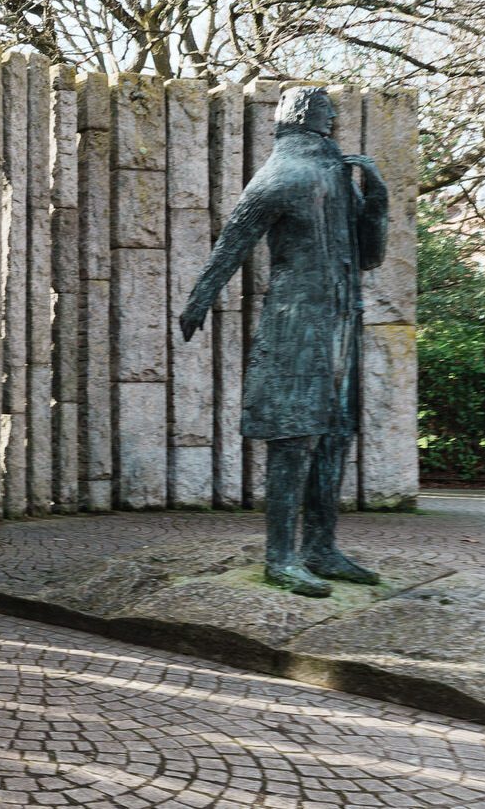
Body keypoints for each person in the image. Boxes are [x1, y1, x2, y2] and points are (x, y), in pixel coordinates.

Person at [178, 86, 389, 597]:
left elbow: (369, 258)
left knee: (336, 432)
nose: (334, 128)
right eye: (328, 120)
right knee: (293, 437)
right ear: (309, 123)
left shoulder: (341, 179)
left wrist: (376, 198)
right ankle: (281, 557)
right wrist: (199, 301)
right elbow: (232, 243)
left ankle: (320, 546)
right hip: (296, 322)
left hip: (340, 319)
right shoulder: (281, 176)